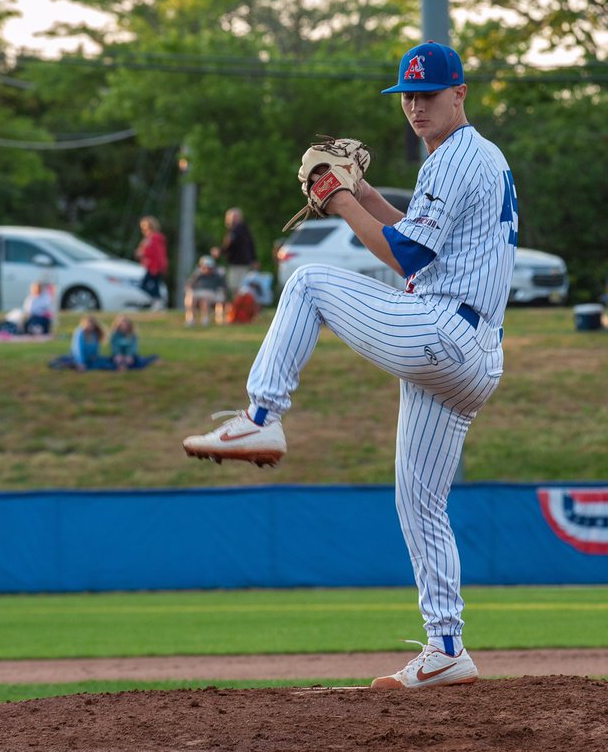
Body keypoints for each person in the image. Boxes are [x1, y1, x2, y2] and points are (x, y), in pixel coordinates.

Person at [183, 41, 515, 691]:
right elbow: (412, 236)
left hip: (443, 332)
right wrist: (359, 190)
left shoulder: (453, 157)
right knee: (419, 499)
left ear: (460, 94)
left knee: (307, 282)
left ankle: (261, 417)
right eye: (408, 97)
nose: (417, 106)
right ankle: (447, 647)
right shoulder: (478, 158)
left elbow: (406, 261)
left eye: (430, 93)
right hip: (472, 351)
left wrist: (337, 199)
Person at [212, 207, 258, 296]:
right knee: (240, 286)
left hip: (238, 263)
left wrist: (219, 251)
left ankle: (240, 307)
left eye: (236, 216)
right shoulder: (241, 229)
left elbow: (230, 244)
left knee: (237, 286)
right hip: (240, 262)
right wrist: (254, 259)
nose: (234, 219)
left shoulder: (237, 230)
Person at [135, 216, 169, 311]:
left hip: (154, 266)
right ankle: (157, 302)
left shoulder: (155, 237)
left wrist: (143, 253)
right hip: (151, 266)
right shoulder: (149, 237)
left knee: (144, 284)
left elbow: (156, 253)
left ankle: (157, 301)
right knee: (154, 285)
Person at [184, 255, 227, 327]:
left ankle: (205, 318)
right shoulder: (198, 274)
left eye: (209, 267)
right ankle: (190, 319)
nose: (206, 269)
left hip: (211, 293)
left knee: (204, 299)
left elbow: (223, 286)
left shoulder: (217, 274)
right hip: (198, 292)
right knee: (190, 298)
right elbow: (190, 284)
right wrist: (189, 288)